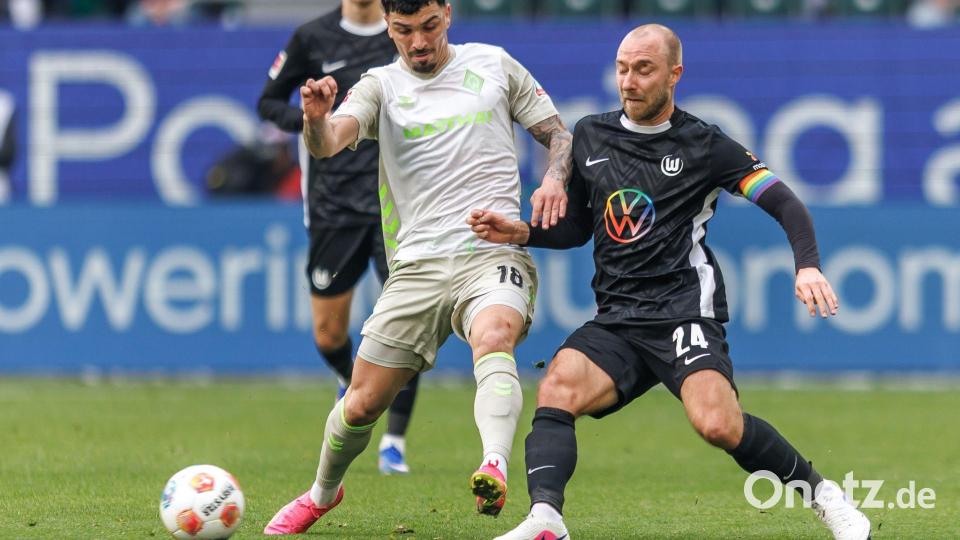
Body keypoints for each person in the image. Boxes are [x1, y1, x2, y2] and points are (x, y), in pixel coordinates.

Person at [468, 24, 871, 540]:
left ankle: (828, 499)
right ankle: (546, 519)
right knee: (558, 388)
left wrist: (808, 264)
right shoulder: (591, 135)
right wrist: (522, 231)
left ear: (674, 74)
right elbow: (579, 228)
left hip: (684, 312)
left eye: (643, 69)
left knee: (718, 425)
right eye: (621, 69)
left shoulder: (706, 144)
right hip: (618, 318)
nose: (628, 81)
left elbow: (784, 201)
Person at [263, 0, 573, 534]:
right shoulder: (379, 85)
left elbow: (559, 135)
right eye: (404, 30)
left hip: (491, 251)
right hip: (418, 266)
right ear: (389, 26)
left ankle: (493, 464)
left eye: (429, 26)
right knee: (360, 406)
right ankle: (321, 494)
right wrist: (314, 121)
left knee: (494, 333)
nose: (419, 43)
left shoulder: (494, 64)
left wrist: (554, 179)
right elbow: (330, 143)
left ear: (447, 14)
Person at [257, 0, 421, 476]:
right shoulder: (312, 37)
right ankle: (355, 385)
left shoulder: (404, 30)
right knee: (329, 334)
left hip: (399, 203)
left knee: (405, 327)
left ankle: (394, 443)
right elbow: (267, 102)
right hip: (333, 205)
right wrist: (313, 121)